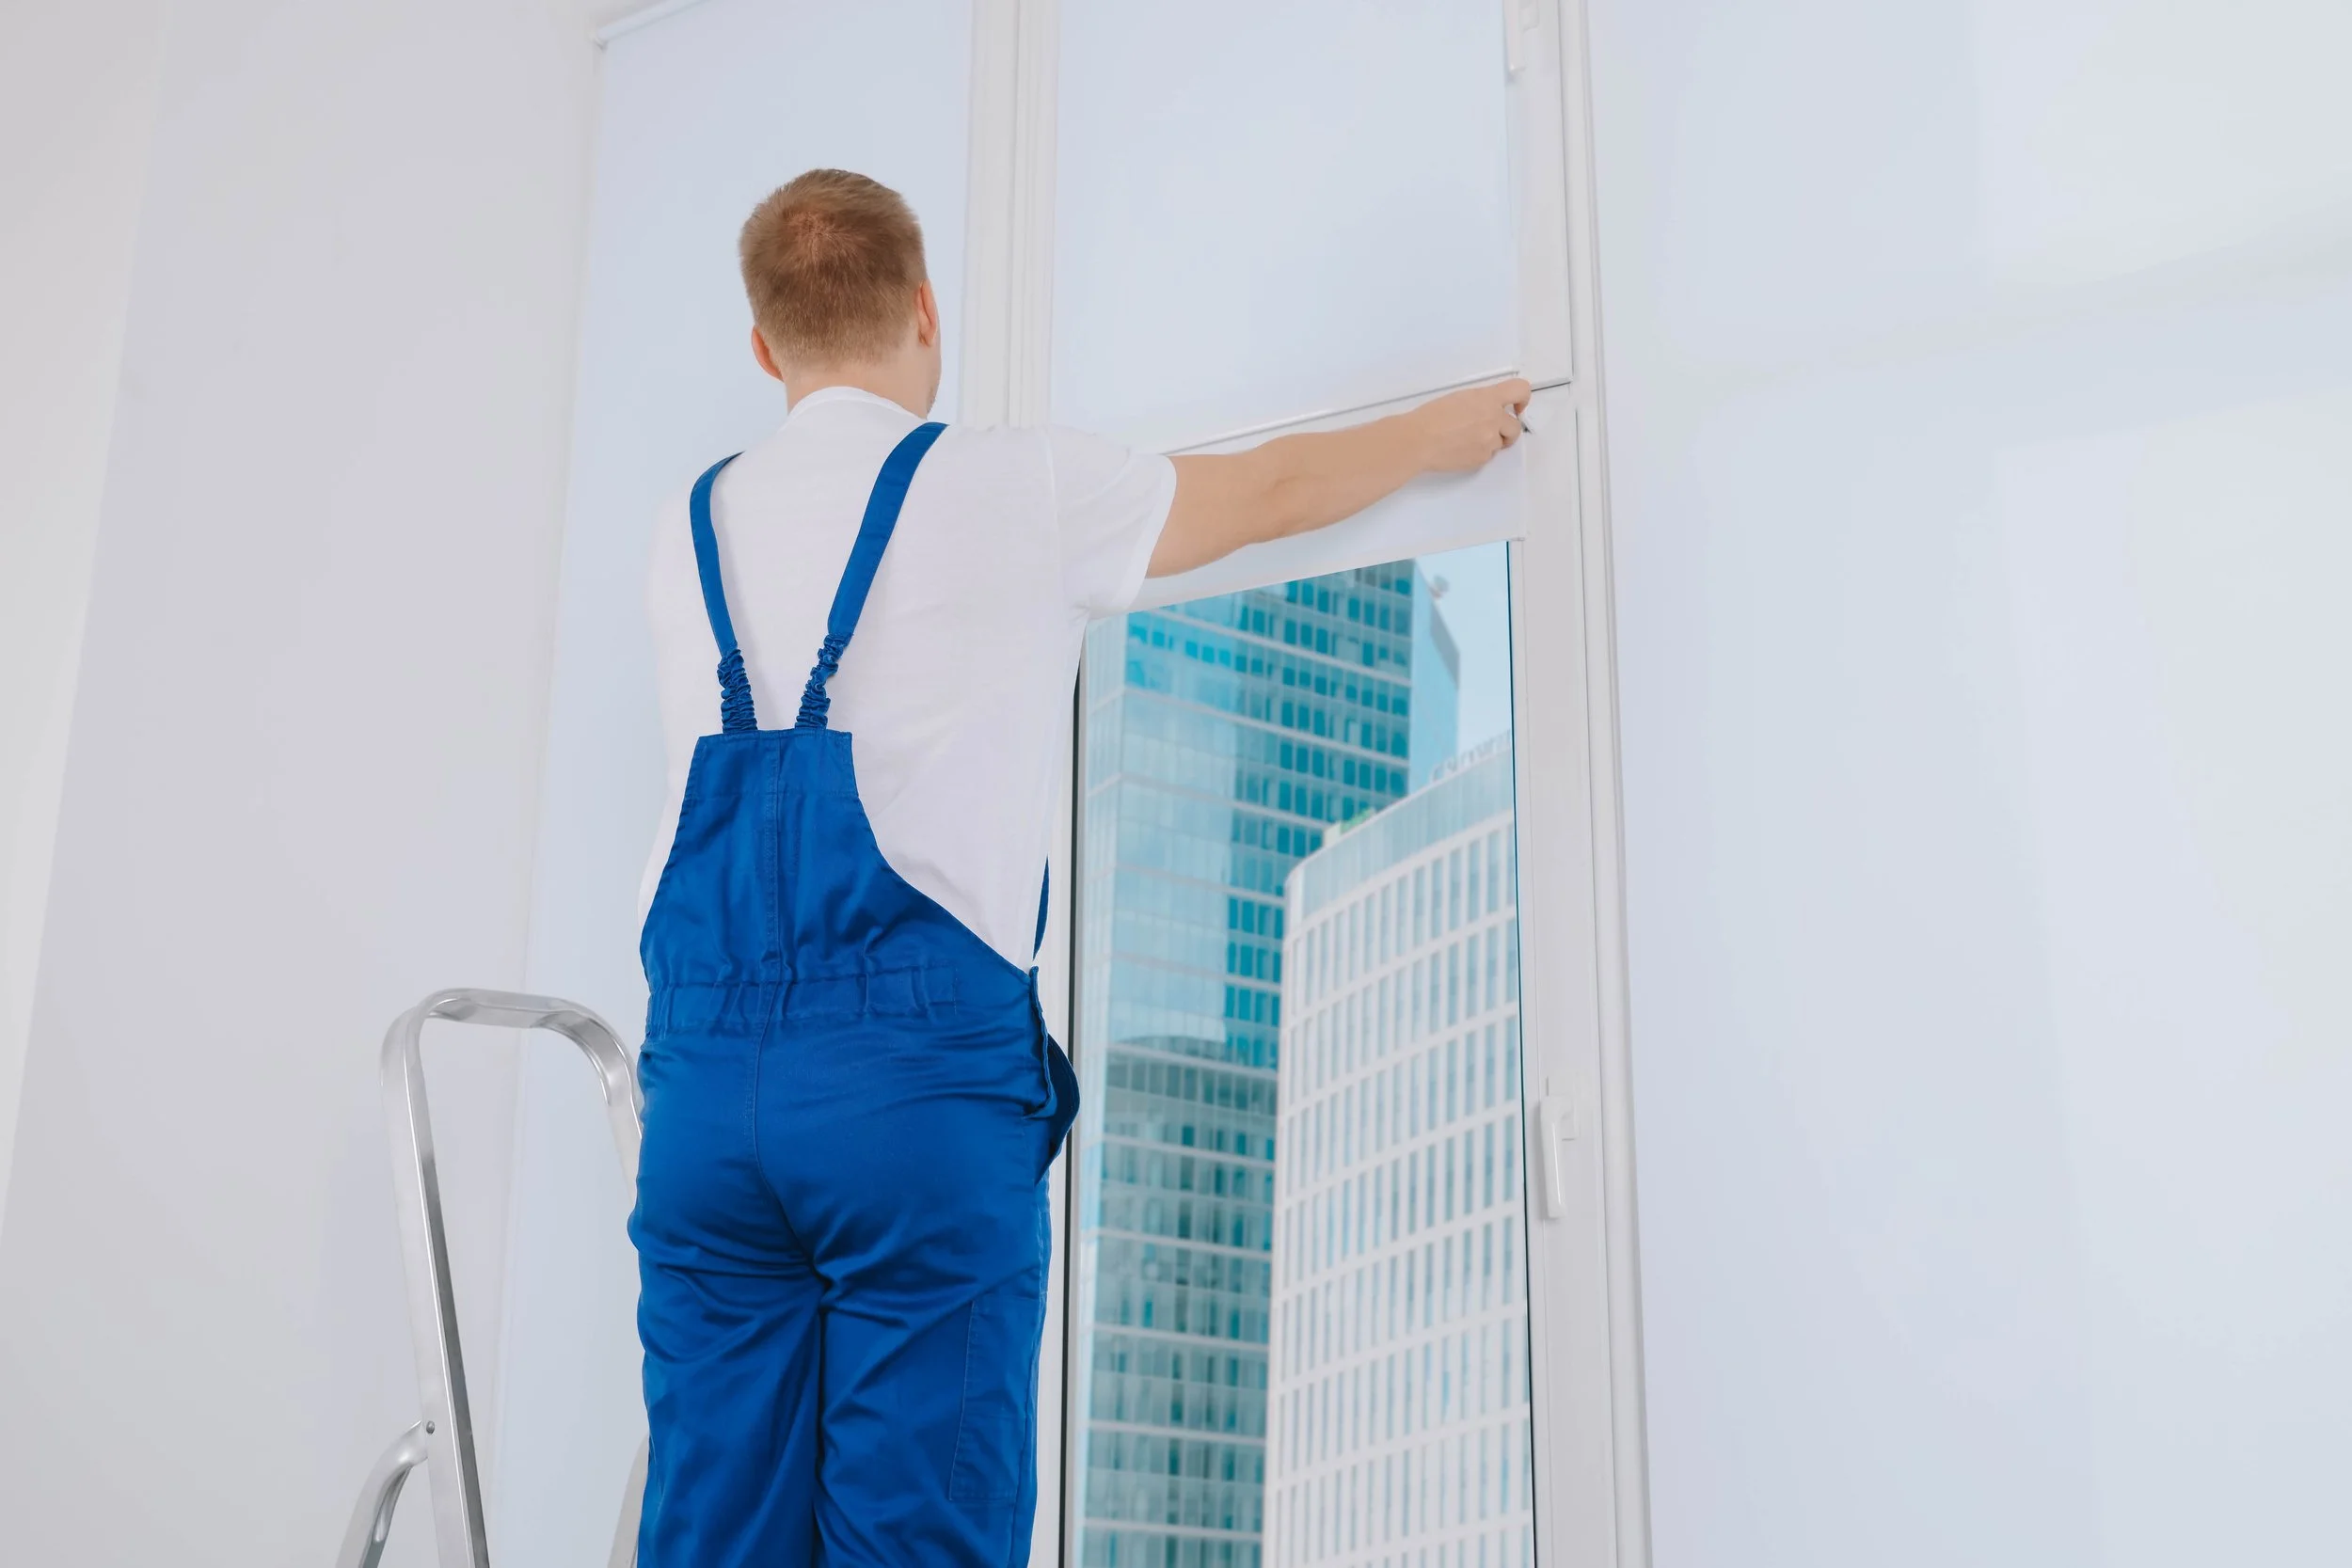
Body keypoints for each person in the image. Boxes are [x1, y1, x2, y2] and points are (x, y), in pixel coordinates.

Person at [628, 167, 1528, 1567]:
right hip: (908, 1103)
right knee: (917, 1532)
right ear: (925, 310)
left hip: (697, 1104)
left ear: (764, 347)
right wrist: (1436, 429)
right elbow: (1273, 489)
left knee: (712, 1535)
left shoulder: (685, 532)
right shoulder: (1012, 483)